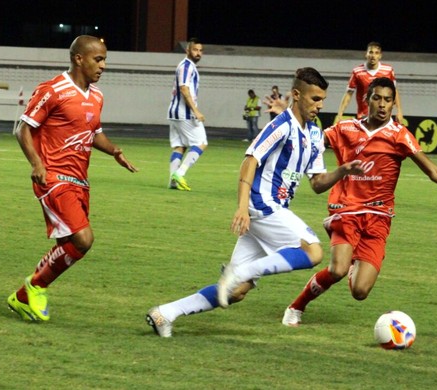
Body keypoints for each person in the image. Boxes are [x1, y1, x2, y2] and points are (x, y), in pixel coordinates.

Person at [145, 67, 364, 337]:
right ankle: (238, 271)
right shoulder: (281, 125)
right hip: (262, 204)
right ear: (297, 95)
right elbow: (249, 161)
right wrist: (242, 207)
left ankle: (164, 313)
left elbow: (317, 183)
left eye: (322, 100)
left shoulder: (315, 135)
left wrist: (343, 171)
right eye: (314, 99)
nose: (319, 106)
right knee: (313, 252)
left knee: (236, 292)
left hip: (272, 210)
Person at [280, 77, 437, 327]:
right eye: (377, 98)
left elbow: (433, 171)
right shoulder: (345, 129)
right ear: (366, 100)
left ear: (394, 104)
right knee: (337, 270)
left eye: (388, 100)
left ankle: (354, 261)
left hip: (379, 217)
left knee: (360, 292)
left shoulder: (399, 136)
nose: (382, 105)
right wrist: (287, 125)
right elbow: (308, 141)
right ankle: (296, 307)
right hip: (346, 210)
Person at [7, 35, 138, 322]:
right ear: (79, 58)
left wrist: (114, 150)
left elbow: (93, 134)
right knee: (83, 239)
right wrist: (37, 163)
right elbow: (22, 128)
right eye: (98, 59)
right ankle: (34, 287)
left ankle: (22, 296)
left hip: (79, 180)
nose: (103, 66)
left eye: (104, 60)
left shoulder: (97, 96)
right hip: (53, 177)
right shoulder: (53, 90)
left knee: (68, 244)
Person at [167, 37, 207, 191]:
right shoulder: (186, 66)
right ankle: (180, 173)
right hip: (185, 114)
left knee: (179, 147)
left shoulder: (186, 66)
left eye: (200, 50)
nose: (198, 53)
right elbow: (184, 89)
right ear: (187, 50)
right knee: (201, 142)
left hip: (175, 113)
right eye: (195, 50)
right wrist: (196, 111)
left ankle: (172, 181)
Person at [335, 41, 403, 124]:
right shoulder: (357, 71)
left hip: (383, 116)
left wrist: (399, 111)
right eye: (370, 52)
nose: (373, 56)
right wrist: (339, 114)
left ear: (380, 56)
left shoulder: (388, 70)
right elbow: (349, 93)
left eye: (376, 53)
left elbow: (394, 91)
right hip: (364, 116)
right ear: (366, 54)